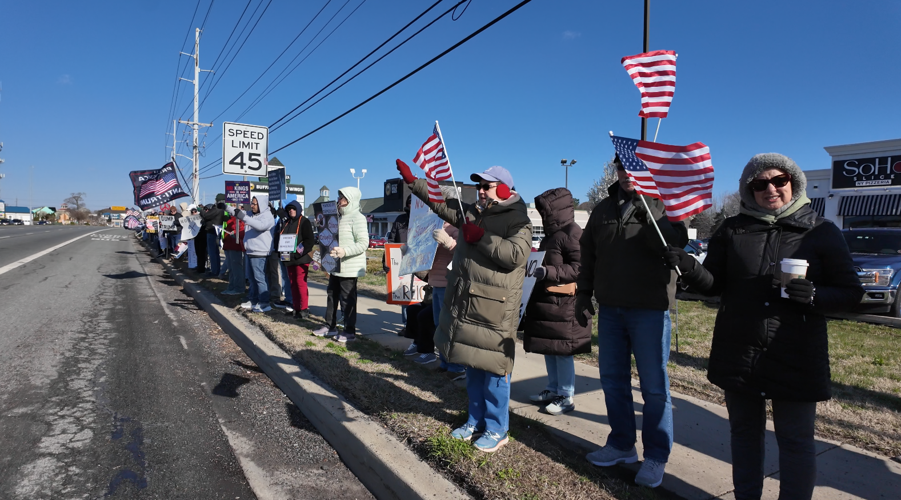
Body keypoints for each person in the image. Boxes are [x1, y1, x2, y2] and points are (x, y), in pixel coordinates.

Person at [662, 153, 863, 500]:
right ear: (748, 189)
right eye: (759, 183)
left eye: (778, 180)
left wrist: (814, 295)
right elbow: (714, 285)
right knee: (743, 435)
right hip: (739, 349)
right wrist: (690, 267)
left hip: (795, 352)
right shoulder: (732, 229)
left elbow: (851, 293)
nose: (770, 188)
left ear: (794, 183)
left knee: (796, 441)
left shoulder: (822, 231)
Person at [397, 160, 531, 453]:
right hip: (469, 303)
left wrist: (481, 238)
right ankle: (474, 419)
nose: (480, 191)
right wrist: (413, 182)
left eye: (486, 186)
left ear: (505, 189)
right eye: (479, 186)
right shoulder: (473, 214)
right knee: (472, 366)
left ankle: (497, 428)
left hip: (495, 309)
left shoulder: (519, 220)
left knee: (494, 371)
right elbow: (440, 204)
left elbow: (515, 255)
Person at [576, 155, 687, 488]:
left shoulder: (665, 206)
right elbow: (588, 254)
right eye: (622, 168)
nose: (627, 174)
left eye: (634, 168)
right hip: (610, 309)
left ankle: (655, 456)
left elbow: (673, 244)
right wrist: (583, 293)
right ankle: (622, 444)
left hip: (650, 310)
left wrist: (646, 210)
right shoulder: (602, 209)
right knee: (613, 381)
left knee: (654, 389)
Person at [523, 187, 591, 416]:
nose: (543, 213)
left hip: (564, 304)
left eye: (546, 209)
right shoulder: (552, 235)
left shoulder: (572, 232)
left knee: (562, 352)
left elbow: (580, 268)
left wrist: (548, 272)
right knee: (549, 349)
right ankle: (553, 389)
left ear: (557, 209)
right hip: (548, 303)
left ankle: (566, 395)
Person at [311, 187, 369, 343]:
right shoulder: (338, 218)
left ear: (350, 200)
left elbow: (364, 243)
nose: (339, 201)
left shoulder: (358, 218)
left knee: (347, 299)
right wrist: (322, 225)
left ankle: (349, 331)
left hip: (349, 267)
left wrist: (345, 251)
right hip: (335, 265)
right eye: (339, 198)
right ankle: (330, 326)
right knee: (331, 295)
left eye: (342, 198)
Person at [235, 193, 275, 313]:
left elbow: (260, 226)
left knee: (259, 278)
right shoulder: (251, 215)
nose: (251, 206)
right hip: (250, 251)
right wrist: (225, 207)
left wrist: (245, 217)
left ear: (261, 204)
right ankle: (253, 300)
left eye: (254, 204)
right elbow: (238, 213)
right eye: (251, 203)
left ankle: (264, 303)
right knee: (251, 279)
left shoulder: (267, 216)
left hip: (260, 252)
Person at [279, 200, 316, 319]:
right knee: (292, 284)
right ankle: (296, 308)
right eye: (289, 209)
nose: (291, 211)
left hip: (301, 259)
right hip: (288, 258)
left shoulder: (304, 221)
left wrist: (299, 253)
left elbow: (309, 241)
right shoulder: (287, 223)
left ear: (298, 210)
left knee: (301, 284)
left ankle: (304, 309)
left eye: (293, 209)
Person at [388, 195, 412, 335]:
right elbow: (391, 241)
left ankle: (418, 326)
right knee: (405, 295)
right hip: (402, 262)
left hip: (422, 263)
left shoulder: (425, 218)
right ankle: (407, 325)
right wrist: (387, 260)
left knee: (420, 297)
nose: (411, 204)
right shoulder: (400, 220)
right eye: (409, 202)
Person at [199, 195, 226, 276]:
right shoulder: (223, 209)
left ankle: (214, 271)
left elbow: (206, 216)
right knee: (215, 253)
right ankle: (216, 270)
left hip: (212, 232)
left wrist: (201, 210)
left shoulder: (216, 209)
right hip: (218, 232)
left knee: (212, 253)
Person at [221, 206, 246, 296]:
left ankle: (239, 288)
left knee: (237, 268)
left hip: (235, 246)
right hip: (228, 245)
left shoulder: (240, 218)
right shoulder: (231, 218)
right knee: (231, 269)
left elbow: (242, 230)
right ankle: (232, 286)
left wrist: (235, 233)